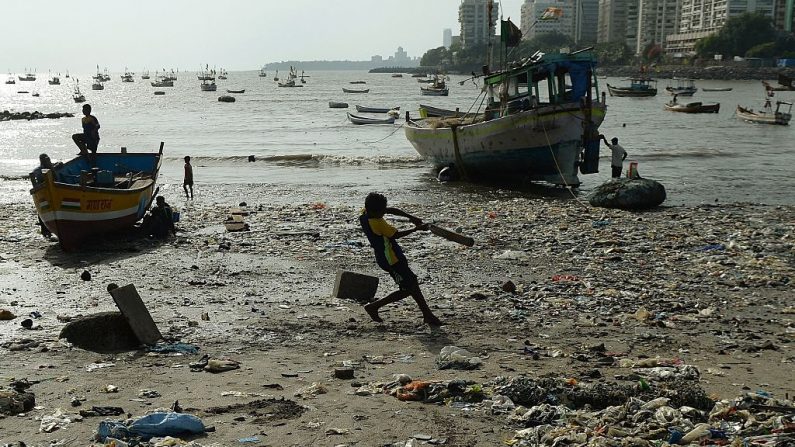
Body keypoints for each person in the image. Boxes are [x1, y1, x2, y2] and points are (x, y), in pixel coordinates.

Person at [359, 193, 442, 327]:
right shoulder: (378, 223)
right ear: (375, 211)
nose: (384, 213)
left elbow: (390, 210)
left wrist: (410, 217)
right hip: (391, 260)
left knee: (412, 283)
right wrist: (416, 229)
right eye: (381, 211)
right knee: (408, 288)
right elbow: (396, 235)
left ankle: (428, 315)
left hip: (389, 256)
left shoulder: (365, 214)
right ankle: (374, 306)